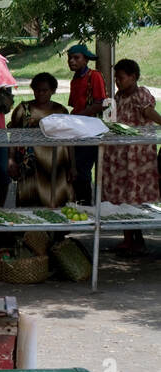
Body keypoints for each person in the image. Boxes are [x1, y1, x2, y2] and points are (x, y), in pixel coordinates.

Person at [101, 59, 161, 255]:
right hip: (119, 154)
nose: (118, 81)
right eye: (116, 78)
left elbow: (148, 112)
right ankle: (128, 239)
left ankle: (138, 239)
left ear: (133, 77)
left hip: (137, 156)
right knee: (122, 195)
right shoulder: (118, 96)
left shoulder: (140, 93)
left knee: (135, 195)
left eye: (121, 77)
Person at [7, 73, 74, 208]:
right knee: (29, 199)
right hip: (30, 165)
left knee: (57, 200)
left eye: (45, 91)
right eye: (37, 90)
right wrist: (11, 159)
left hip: (57, 163)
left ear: (53, 91)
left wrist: (72, 165)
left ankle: (55, 229)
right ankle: (30, 229)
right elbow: (14, 135)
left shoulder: (60, 111)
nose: (41, 94)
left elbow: (69, 140)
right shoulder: (23, 109)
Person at [67, 43, 108, 204]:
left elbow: (100, 103)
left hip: (91, 129)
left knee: (82, 169)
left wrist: (77, 117)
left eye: (76, 58)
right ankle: (82, 203)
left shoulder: (94, 76)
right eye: (70, 58)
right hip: (77, 129)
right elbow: (74, 105)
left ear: (85, 60)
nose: (71, 61)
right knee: (75, 169)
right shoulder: (75, 80)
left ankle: (87, 205)